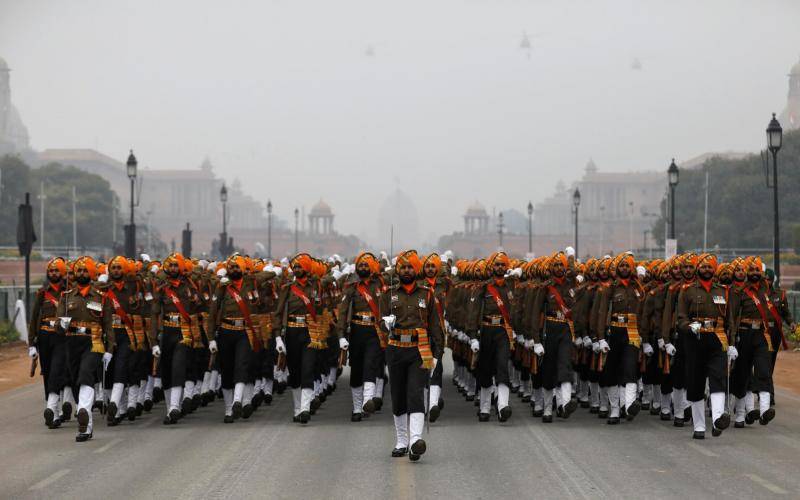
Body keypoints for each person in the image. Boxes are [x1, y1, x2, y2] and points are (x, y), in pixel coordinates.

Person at [379, 250, 444, 461]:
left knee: (415, 392)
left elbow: (436, 327)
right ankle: (401, 441)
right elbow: (379, 325)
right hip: (396, 348)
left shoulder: (427, 294)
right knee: (398, 395)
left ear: (416, 270)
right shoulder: (388, 294)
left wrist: (437, 355)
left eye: (410, 267)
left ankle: (416, 440)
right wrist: (385, 323)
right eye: (403, 267)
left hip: (419, 350)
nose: (406, 270)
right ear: (398, 270)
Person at [58, 256, 114, 442]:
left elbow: (108, 325)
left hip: (94, 342)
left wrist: (109, 350)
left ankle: (84, 416)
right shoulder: (66, 297)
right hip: (72, 343)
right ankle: (85, 418)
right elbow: (58, 327)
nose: (81, 273)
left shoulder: (101, 296)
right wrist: (62, 324)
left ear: (91, 273)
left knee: (85, 375)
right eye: (78, 270)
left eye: (85, 270)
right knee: (76, 380)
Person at [676, 253, 731, 439]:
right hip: (695, 339)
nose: (707, 269)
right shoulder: (688, 291)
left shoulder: (723, 291)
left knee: (718, 378)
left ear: (714, 269)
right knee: (695, 383)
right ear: (698, 268)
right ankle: (699, 426)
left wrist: (732, 343)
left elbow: (729, 320)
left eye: (710, 267)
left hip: (717, 339)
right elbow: (681, 317)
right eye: (704, 266)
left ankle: (717, 420)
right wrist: (688, 326)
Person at [150, 253, 201, 425]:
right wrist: (154, 342)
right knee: (165, 372)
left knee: (178, 368)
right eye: (170, 265)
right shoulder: (161, 287)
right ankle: (169, 409)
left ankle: (174, 407)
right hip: (167, 332)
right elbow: (155, 313)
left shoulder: (190, 285)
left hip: (184, 332)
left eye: (175, 265)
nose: (173, 269)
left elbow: (198, 303)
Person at [466, 252, 517, 423]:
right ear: (492, 267)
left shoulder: (511, 286)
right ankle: (485, 407)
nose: (500, 267)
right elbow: (473, 313)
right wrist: (472, 336)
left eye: (503, 264)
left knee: (502, 367)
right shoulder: (483, 288)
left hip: (503, 331)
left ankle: (503, 406)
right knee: (485, 370)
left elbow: (517, 309)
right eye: (497, 265)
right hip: (486, 331)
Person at [336, 252, 385, 421]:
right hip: (356, 331)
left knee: (370, 365)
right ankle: (357, 408)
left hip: (374, 331)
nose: (363, 268)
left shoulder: (380, 282)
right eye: (360, 265)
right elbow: (342, 311)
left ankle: (367, 402)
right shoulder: (351, 285)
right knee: (356, 369)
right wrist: (341, 335)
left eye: (366, 265)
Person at [28, 257, 70, 428]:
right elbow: (34, 318)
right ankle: (54, 410)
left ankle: (56, 408)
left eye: (56, 270)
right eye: (51, 271)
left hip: (63, 337)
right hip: (45, 337)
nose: (53, 273)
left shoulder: (69, 291)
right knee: (47, 372)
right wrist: (31, 344)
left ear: (62, 272)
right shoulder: (42, 293)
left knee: (59, 371)